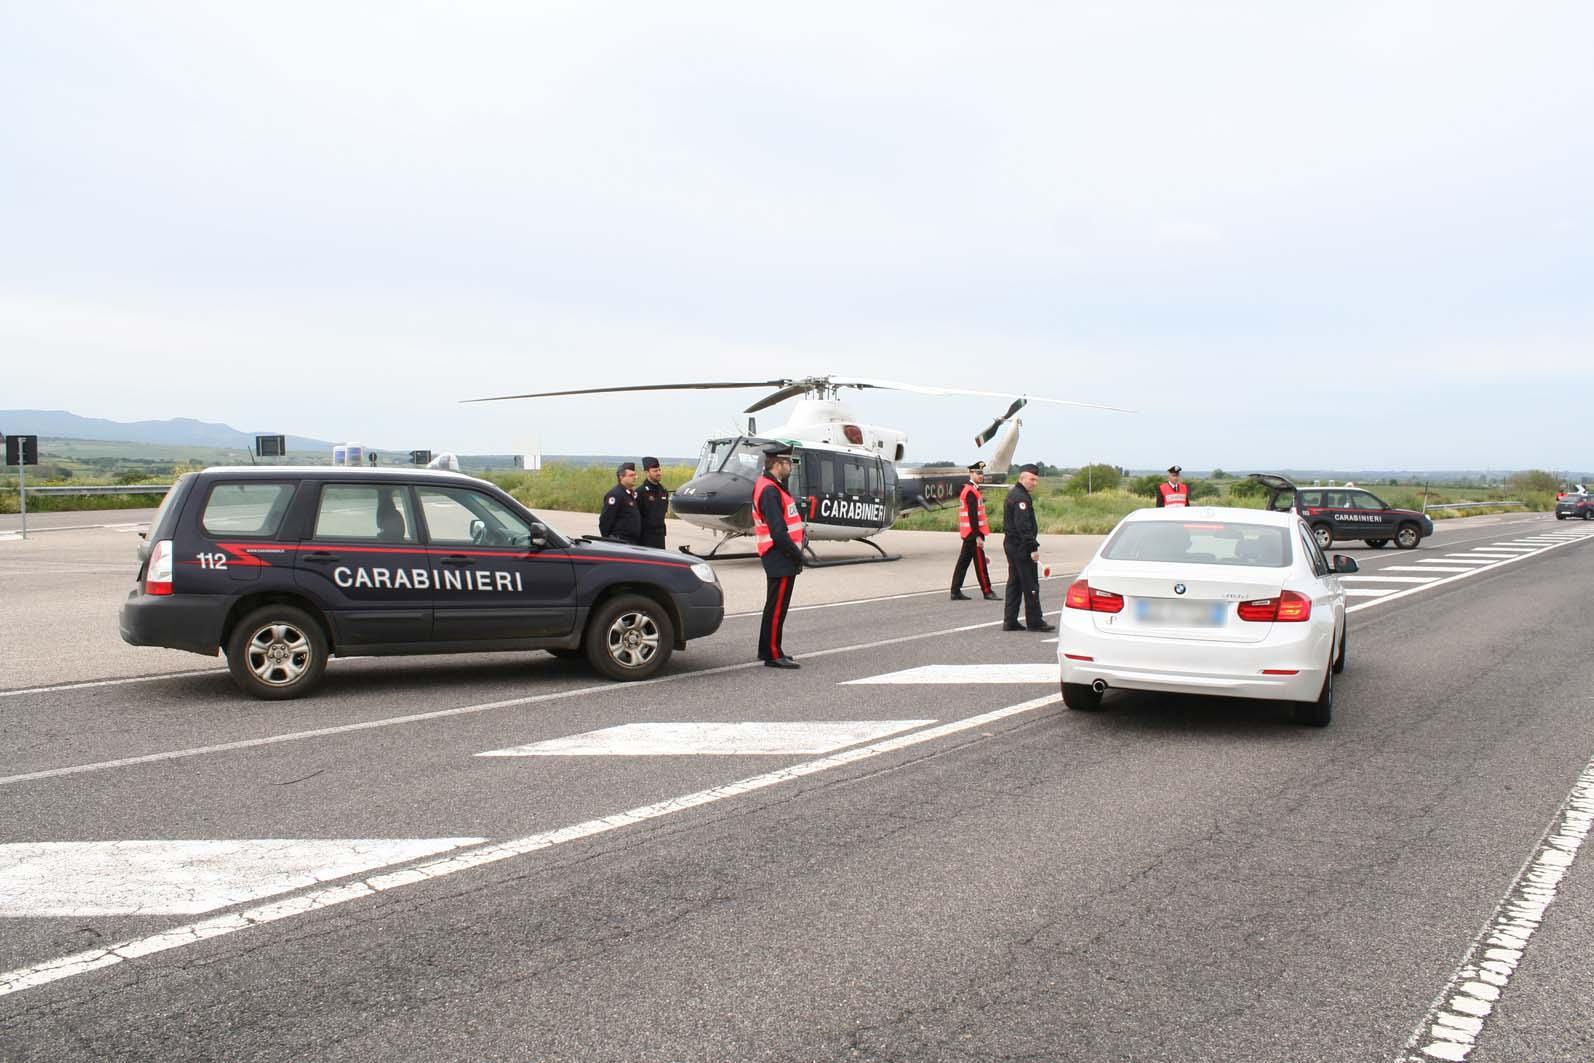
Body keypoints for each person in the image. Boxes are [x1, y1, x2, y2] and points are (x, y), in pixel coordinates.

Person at [753, 443, 805, 668]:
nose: (791, 467)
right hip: (780, 555)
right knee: (777, 608)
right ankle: (773, 654)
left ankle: (767, 649)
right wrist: (797, 555)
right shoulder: (770, 490)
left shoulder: (771, 485)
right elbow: (778, 532)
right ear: (777, 464)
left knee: (773, 605)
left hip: (779, 554)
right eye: (788, 462)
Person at [1003, 463, 1052, 632]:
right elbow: (1023, 526)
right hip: (1021, 546)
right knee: (1031, 584)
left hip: (1012, 544)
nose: (1034, 483)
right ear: (1022, 478)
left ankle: (1010, 620)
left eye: (1036, 480)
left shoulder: (1014, 494)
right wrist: (1033, 548)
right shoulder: (1021, 498)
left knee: (1015, 583)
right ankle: (1035, 621)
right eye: (1032, 479)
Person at [950, 461, 998, 601]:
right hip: (973, 534)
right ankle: (987, 591)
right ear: (971, 474)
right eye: (978, 473)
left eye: (982, 473)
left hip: (969, 533)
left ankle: (955, 591)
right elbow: (973, 516)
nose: (980, 476)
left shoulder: (971, 489)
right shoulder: (971, 491)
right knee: (980, 564)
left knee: (963, 563)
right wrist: (978, 536)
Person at [598, 462, 642, 544]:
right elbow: (605, 520)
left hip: (631, 541)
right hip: (620, 541)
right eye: (631, 475)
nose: (635, 477)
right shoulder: (615, 495)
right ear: (621, 477)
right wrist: (608, 540)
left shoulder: (629, 493)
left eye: (635, 475)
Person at [637, 456, 670, 549]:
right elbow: (635, 518)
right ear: (647, 472)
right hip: (645, 537)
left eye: (659, 470)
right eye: (655, 471)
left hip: (660, 536)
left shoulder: (663, 491)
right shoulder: (640, 492)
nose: (659, 473)